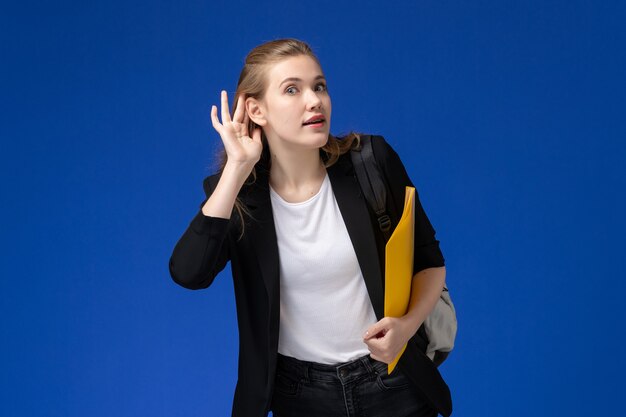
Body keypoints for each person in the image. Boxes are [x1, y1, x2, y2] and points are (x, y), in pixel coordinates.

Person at [169, 38, 451, 417]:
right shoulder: (239, 195)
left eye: (319, 86)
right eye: (292, 89)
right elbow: (189, 273)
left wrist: (405, 328)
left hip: (391, 382)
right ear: (256, 109)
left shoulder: (371, 161)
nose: (314, 100)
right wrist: (237, 169)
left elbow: (430, 262)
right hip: (300, 395)